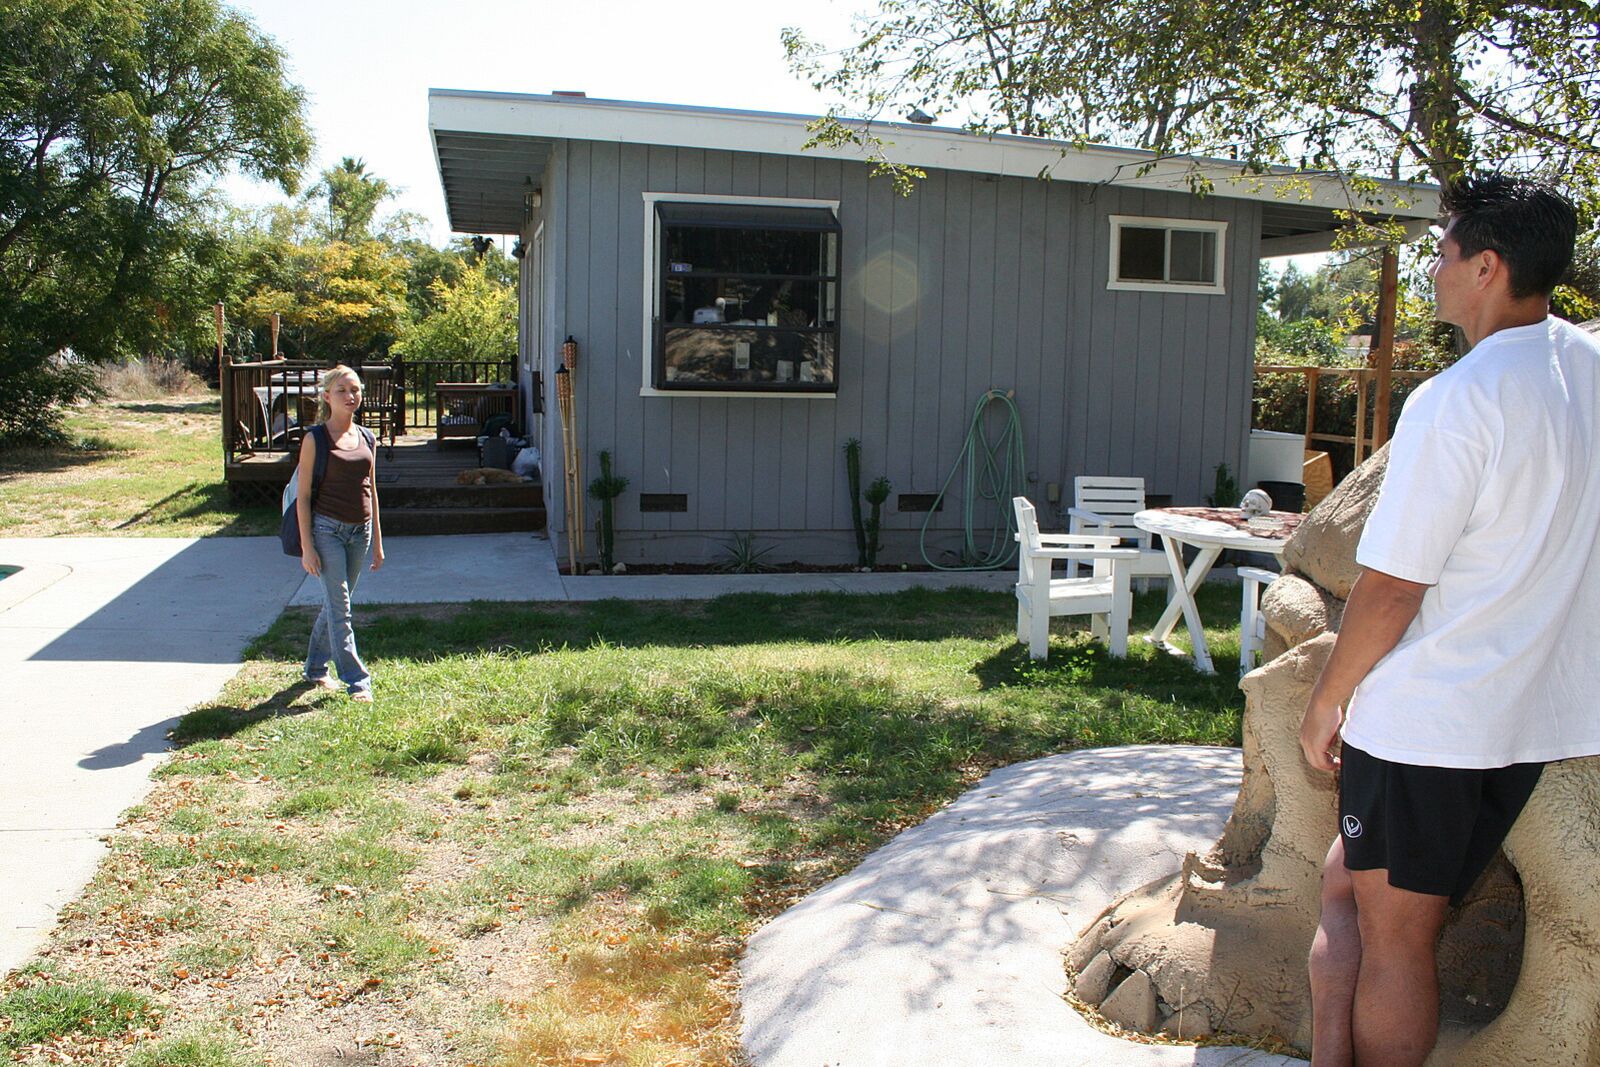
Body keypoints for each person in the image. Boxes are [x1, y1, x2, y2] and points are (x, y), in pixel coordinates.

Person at [1298, 174, 1595, 1066]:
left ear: (1488, 266)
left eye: (1444, 251)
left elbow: (1393, 586)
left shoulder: (1457, 399)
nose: (1434, 268)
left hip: (1428, 724)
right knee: (1345, 890)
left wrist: (1326, 700)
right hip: (1524, 722)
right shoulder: (1587, 371)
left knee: (1399, 942)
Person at [297, 364, 385, 701]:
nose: (351, 396)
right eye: (342, 391)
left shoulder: (367, 437)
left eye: (356, 390)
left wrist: (377, 541)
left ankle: (315, 668)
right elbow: (303, 497)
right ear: (326, 397)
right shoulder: (315, 439)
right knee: (341, 607)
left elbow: (372, 489)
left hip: (359, 533)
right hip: (327, 530)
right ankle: (356, 680)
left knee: (336, 603)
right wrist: (307, 546)